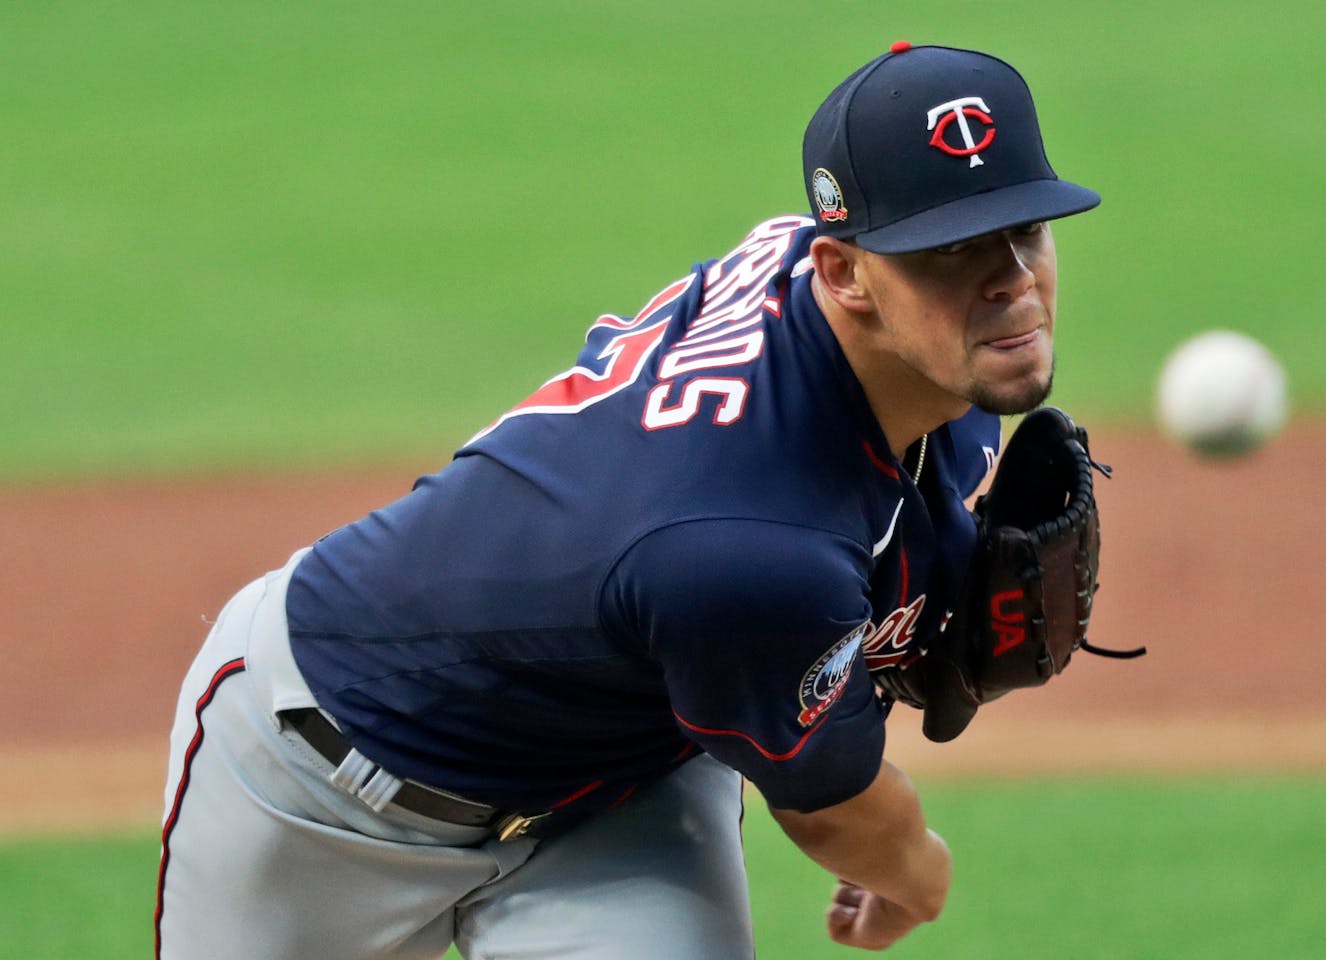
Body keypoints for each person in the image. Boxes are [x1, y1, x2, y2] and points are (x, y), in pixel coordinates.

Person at [155, 42, 1101, 958]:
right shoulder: (747, 549)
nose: (1011, 283)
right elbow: (838, 809)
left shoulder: (874, 347)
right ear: (843, 274)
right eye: (946, 251)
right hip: (321, 775)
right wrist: (918, 879)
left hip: (615, 791)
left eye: (1024, 230)